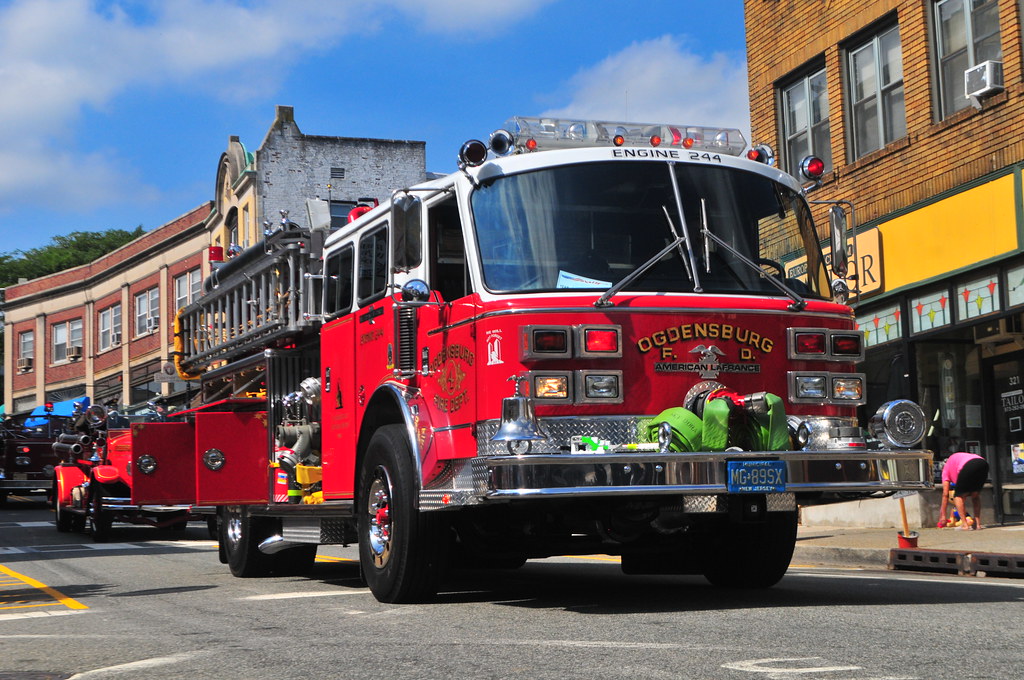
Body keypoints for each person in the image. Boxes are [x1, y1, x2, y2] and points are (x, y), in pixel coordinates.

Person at [938, 452, 989, 530]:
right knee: (975, 495)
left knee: (958, 496)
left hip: (968, 465)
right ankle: (977, 524)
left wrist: (943, 516)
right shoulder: (955, 461)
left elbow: (945, 494)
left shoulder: (946, 469)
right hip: (983, 463)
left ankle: (965, 525)